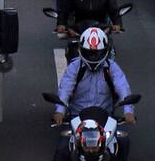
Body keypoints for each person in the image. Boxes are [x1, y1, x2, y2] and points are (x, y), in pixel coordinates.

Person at [52, 28, 135, 161]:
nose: (92, 57)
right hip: (77, 118)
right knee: (62, 149)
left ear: (104, 51)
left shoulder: (111, 67)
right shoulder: (74, 67)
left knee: (124, 142)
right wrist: (60, 111)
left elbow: (123, 88)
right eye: (89, 53)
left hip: (105, 118)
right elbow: (64, 90)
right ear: (81, 50)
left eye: (96, 53)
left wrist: (128, 111)